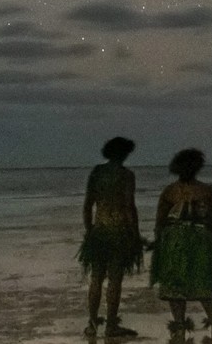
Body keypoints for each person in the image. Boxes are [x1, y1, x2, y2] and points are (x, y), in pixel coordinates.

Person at [150, 148, 212, 341]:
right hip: (192, 242)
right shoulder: (204, 191)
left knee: (181, 286)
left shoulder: (171, 191)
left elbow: (160, 223)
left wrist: (159, 243)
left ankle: (180, 326)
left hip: (177, 243)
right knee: (203, 284)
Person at [78, 136, 143, 338]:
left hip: (99, 231)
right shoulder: (126, 175)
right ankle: (111, 325)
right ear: (123, 153)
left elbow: (88, 204)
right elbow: (129, 207)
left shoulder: (97, 172)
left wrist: (90, 231)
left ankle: (92, 324)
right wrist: (136, 234)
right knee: (115, 280)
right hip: (119, 232)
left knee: (96, 278)